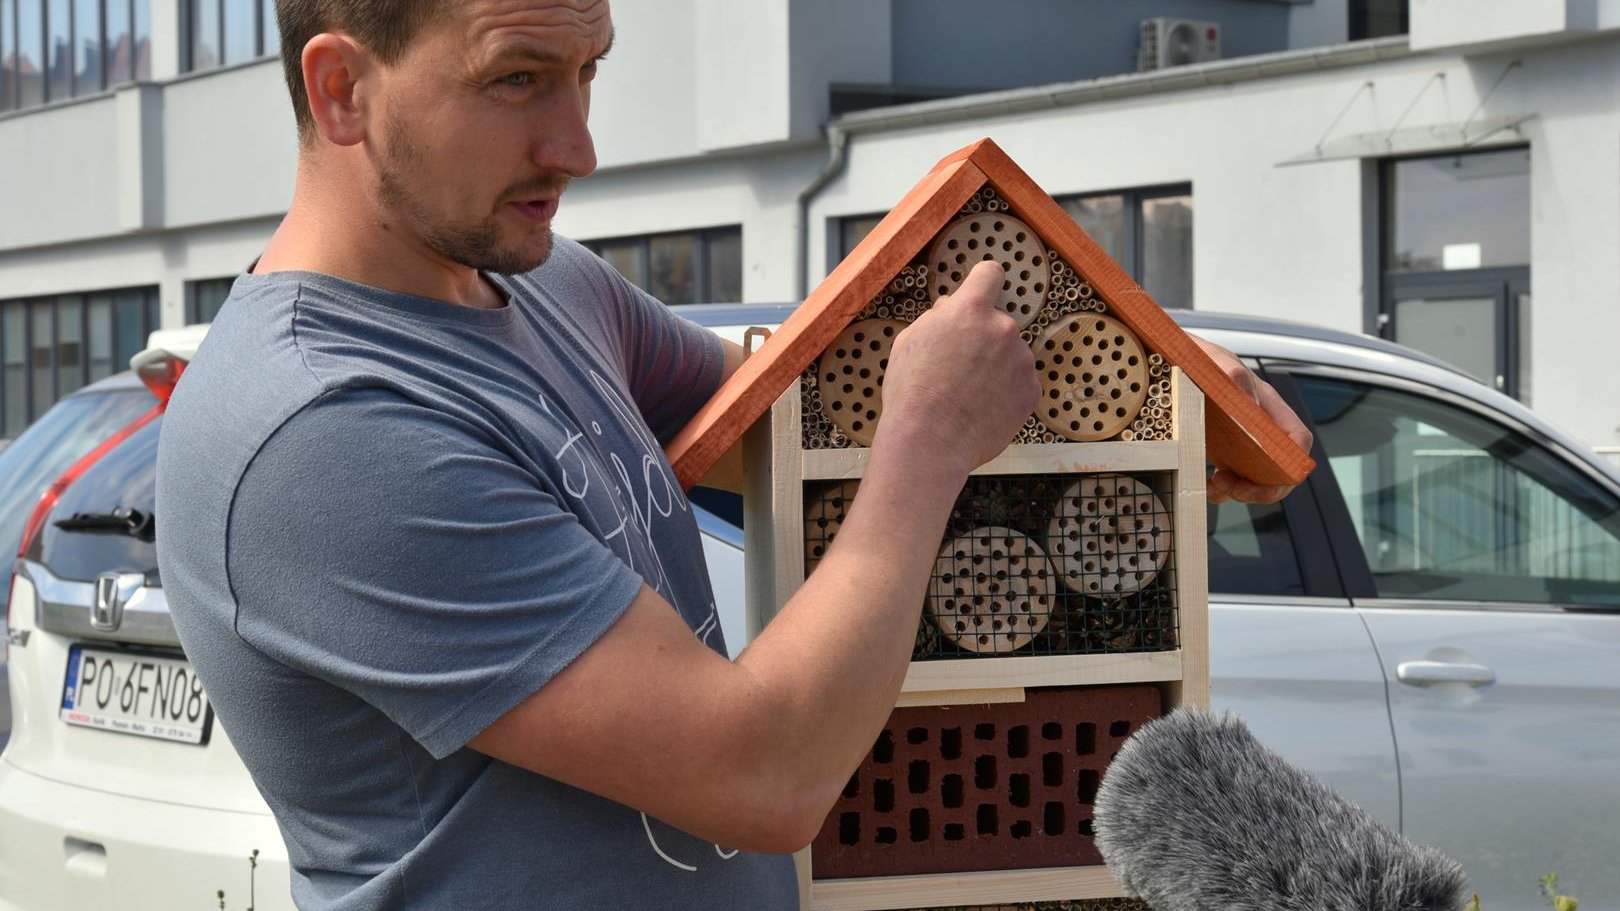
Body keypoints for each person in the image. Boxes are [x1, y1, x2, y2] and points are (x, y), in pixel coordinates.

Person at [156, 1, 1312, 909]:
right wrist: (925, 440)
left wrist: (1154, 385)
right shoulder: (325, 428)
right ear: (342, 88)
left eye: (589, 69)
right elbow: (764, 772)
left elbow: (807, 411)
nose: (579, 144)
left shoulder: (541, 280)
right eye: (516, 77)